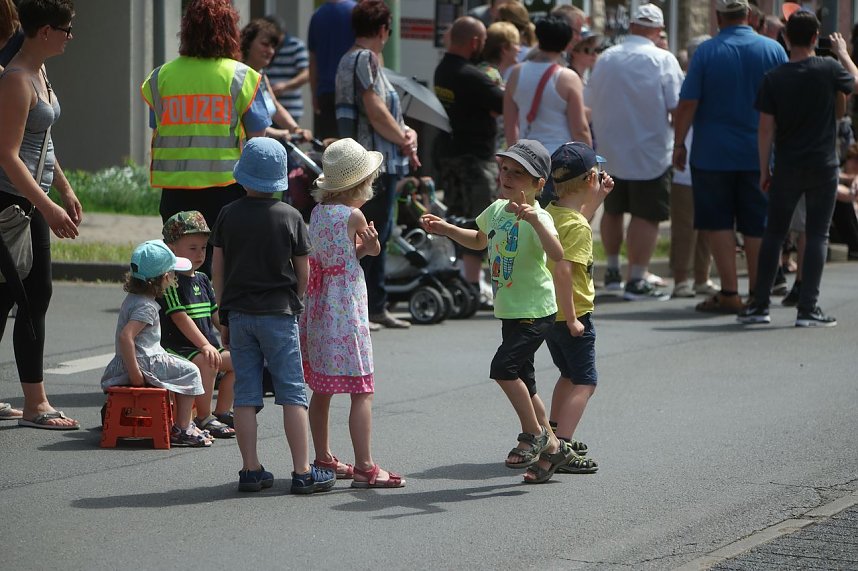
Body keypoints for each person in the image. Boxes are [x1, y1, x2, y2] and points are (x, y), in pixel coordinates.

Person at [420, 140, 568, 484]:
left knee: (503, 368)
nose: (508, 177)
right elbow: (478, 239)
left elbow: (557, 253)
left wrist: (536, 220)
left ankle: (533, 435)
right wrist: (446, 229)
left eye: (519, 173)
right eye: (504, 169)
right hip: (510, 310)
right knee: (526, 385)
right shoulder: (498, 210)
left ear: (538, 184)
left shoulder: (539, 215)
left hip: (536, 310)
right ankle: (553, 450)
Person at [210, 137, 335, 494]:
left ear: (243, 178)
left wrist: (223, 310)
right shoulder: (291, 216)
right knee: (292, 393)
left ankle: (250, 469)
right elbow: (304, 269)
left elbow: (217, 266)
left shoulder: (228, 214)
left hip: (240, 315)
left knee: (246, 394)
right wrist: (296, 300)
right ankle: (301, 472)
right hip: (279, 315)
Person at [739, 11, 858, 327]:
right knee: (817, 234)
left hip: (788, 165)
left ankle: (760, 305)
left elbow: (765, 130)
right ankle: (808, 308)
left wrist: (764, 169)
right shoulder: (829, 68)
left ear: (786, 38)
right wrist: (843, 53)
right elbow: (855, 83)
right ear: (816, 38)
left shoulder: (774, 77)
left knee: (774, 234)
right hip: (824, 164)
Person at [301, 138, 405, 489]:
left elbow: (341, 255)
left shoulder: (317, 212)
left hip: (319, 304)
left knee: (322, 387)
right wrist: (372, 244)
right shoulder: (354, 214)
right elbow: (363, 253)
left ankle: (323, 455)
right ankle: (365, 465)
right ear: (361, 184)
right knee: (362, 389)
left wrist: (363, 248)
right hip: (345, 307)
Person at [141, 0, 271, 278]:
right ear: (230, 32)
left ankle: (179, 319)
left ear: (186, 31)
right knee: (221, 270)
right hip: (225, 190)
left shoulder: (160, 77)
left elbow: (158, 124)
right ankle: (218, 321)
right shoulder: (241, 76)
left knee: (179, 270)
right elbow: (258, 142)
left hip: (175, 192)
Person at [672, 0, 787, 314]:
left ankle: (729, 293)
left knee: (718, 223)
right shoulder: (773, 50)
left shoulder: (707, 52)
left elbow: (687, 104)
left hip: (712, 154)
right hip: (760, 154)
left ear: (718, 16)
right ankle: (758, 294)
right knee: (757, 225)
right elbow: (785, 100)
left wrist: (679, 144)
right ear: (749, 15)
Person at [0, 0, 82, 429]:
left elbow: (45, 140)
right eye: (67, 29)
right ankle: (36, 404)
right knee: (32, 297)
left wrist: (64, 190)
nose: (71, 37)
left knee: (16, 298)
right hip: (12, 203)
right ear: (45, 31)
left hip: (35, 200)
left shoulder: (40, 73)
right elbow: (8, 156)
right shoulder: (15, 79)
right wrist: (47, 207)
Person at [586, 3, 683, 302]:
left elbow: (589, 99)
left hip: (611, 149)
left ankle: (613, 271)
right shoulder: (663, 59)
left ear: (631, 26)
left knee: (613, 210)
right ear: (657, 30)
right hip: (649, 150)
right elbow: (677, 107)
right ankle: (637, 278)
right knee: (647, 214)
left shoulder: (606, 58)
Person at [335, 0, 420, 330]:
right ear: (383, 29)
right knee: (372, 233)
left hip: (364, 158)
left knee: (371, 231)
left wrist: (404, 131)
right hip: (371, 162)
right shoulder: (365, 59)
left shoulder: (350, 59)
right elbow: (374, 110)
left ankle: (374, 305)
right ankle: (370, 307)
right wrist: (402, 138)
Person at [539, 141, 614, 480]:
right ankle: (562, 447)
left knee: (568, 375)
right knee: (585, 381)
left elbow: (574, 222)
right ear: (588, 180)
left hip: (547, 313)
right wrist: (572, 318)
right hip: (573, 314)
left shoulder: (552, 214)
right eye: (596, 176)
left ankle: (552, 435)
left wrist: (596, 199)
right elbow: (564, 269)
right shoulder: (579, 226)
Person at [100, 240, 212, 447]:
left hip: (133, 360)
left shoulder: (134, 297)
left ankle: (179, 422)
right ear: (163, 277)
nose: (175, 278)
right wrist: (134, 373)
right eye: (172, 273)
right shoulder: (147, 307)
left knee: (177, 366)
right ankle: (182, 427)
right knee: (191, 371)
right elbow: (126, 337)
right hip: (144, 362)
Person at [434, 17, 504, 303]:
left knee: (458, 217)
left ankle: (466, 280)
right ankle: (474, 284)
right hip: (475, 159)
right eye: (483, 41)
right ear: (475, 42)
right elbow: (502, 104)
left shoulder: (443, 71)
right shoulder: (472, 76)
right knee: (481, 221)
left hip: (449, 156)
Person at [160, 211, 236, 437]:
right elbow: (179, 317)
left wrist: (228, 331)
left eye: (203, 248)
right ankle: (204, 417)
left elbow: (215, 313)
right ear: (172, 249)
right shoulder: (169, 280)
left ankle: (222, 411)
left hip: (206, 346)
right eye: (192, 248)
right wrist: (204, 345)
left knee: (241, 358)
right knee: (208, 361)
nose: (200, 253)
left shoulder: (202, 279)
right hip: (180, 349)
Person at [670, 36, 718, 299]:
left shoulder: (713, 82)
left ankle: (703, 277)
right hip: (685, 164)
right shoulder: (682, 81)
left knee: (708, 226)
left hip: (709, 162)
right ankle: (681, 279)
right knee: (685, 226)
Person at [504, 15, 591, 159]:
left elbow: (510, 124)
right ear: (566, 44)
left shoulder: (516, 73)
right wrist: (590, 163)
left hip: (526, 158)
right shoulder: (568, 77)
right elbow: (580, 129)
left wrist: (513, 157)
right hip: (559, 158)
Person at [240, 19, 310, 142]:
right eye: (265, 44)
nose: (271, 51)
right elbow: (243, 119)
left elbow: (275, 107)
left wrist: (296, 129)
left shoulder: (261, 75)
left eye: (273, 47)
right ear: (247, 44)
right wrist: (275, 133)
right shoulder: (239, 75)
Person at [308, 0, 356, 141]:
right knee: (354, 149)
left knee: (331, 149)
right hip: (353, 91)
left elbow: (313, 60)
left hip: (326, 92)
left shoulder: (317, 15)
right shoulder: (356, 11)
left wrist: (314, 93)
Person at [263, 16, 310, 125]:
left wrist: (285, 86)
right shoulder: (265, 49)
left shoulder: (296, 46)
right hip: (268, 108)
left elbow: (306, 74)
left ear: (281, 32)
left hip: (291, 107)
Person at [478, 21, 520, 85]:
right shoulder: (492, 76)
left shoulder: (484, 69)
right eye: (516, 44)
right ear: (505, 48)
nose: (519, 49)